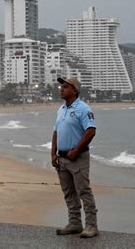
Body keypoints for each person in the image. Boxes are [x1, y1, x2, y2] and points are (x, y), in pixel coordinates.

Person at [51, 77, 98, 238]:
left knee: (84, 191)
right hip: (62, 158)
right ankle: (75, 223)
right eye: (61, 87)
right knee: (69, 192)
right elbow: (56, 132)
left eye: (65, 87)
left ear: (74, 90)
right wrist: (53, 154)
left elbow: (91, 131)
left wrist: (76, 150)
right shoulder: (61, 109)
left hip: (78, 158)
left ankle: (91, 225)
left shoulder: (83, 109)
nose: (61, 89)